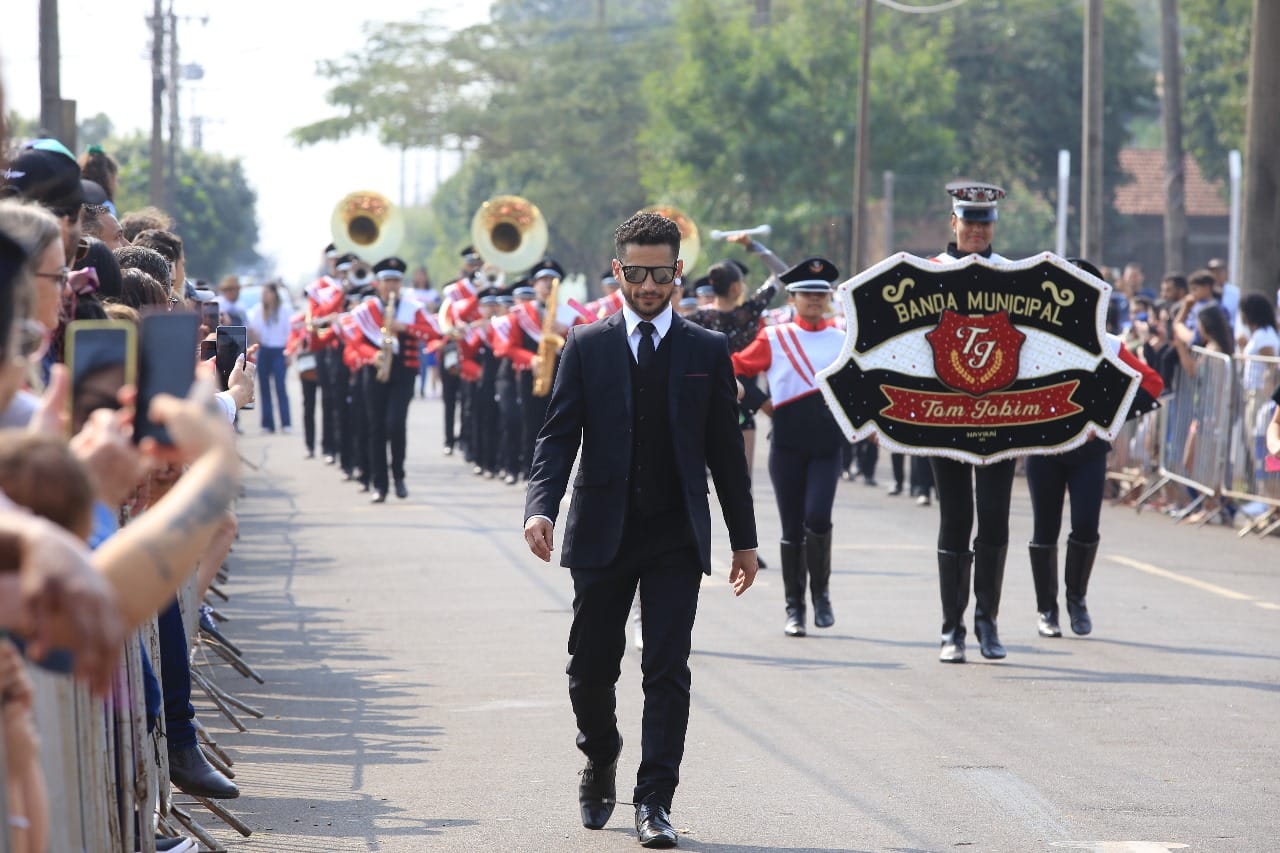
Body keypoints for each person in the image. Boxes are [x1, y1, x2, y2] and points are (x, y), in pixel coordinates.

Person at [523, 212, 758, 849]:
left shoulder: (708, 352)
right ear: (618, 270)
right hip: (601, 532)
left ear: (677, 271)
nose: (649, 286)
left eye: (660, 273)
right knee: (590, 668)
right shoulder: (587, 344)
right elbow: (557, 438)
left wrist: (745, 539)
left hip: (675, 537)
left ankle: (654, 800)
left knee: (667, 669)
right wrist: (540, 508)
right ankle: (600, 755)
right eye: (636, 273)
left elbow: (725, 455)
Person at [1026, 259, 1164, 638]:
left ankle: (1077, 599)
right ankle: (1046, 609)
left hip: (1088, 450)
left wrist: (1106, 420)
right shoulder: (1031, 339)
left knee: (1086, 525)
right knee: (1045, 529)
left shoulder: (1109, 344)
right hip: (1043, 449)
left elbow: (1150, 383)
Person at [732, 257, 846, 637]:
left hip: (828, 445)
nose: (814, 300)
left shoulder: (845, 335)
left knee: (818, 518)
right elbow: (733, 367)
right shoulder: (775, 336)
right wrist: (759, 403)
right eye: (806, 294)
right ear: (793, 298)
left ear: (829, 296)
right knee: (791, 528)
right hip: (787, 445)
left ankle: (822, 594)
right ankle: (794, 607)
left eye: (821, 294)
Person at [930, 181, 1015, 663]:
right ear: (954, 222)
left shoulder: (1013, 275)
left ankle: (987, 623)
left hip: (1001, 419)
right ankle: (951, 628)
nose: (978, 229)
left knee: (997, 521)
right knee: (956, 518)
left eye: (985, 222)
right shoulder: (926, 274)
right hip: (945, 419)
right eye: (970, 220)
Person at [247, 282, 293, 433]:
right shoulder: (258, 310)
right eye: (263, 293)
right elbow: (253, 329)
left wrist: (289, 353)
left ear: (274, 294)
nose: (264, 296)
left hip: (280, 350)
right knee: (264, 388)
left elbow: (290, 333)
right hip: (264, 350)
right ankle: (268, 424)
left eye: (267, 292)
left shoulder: (284, 310)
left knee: (280, 387)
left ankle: (286, 423)